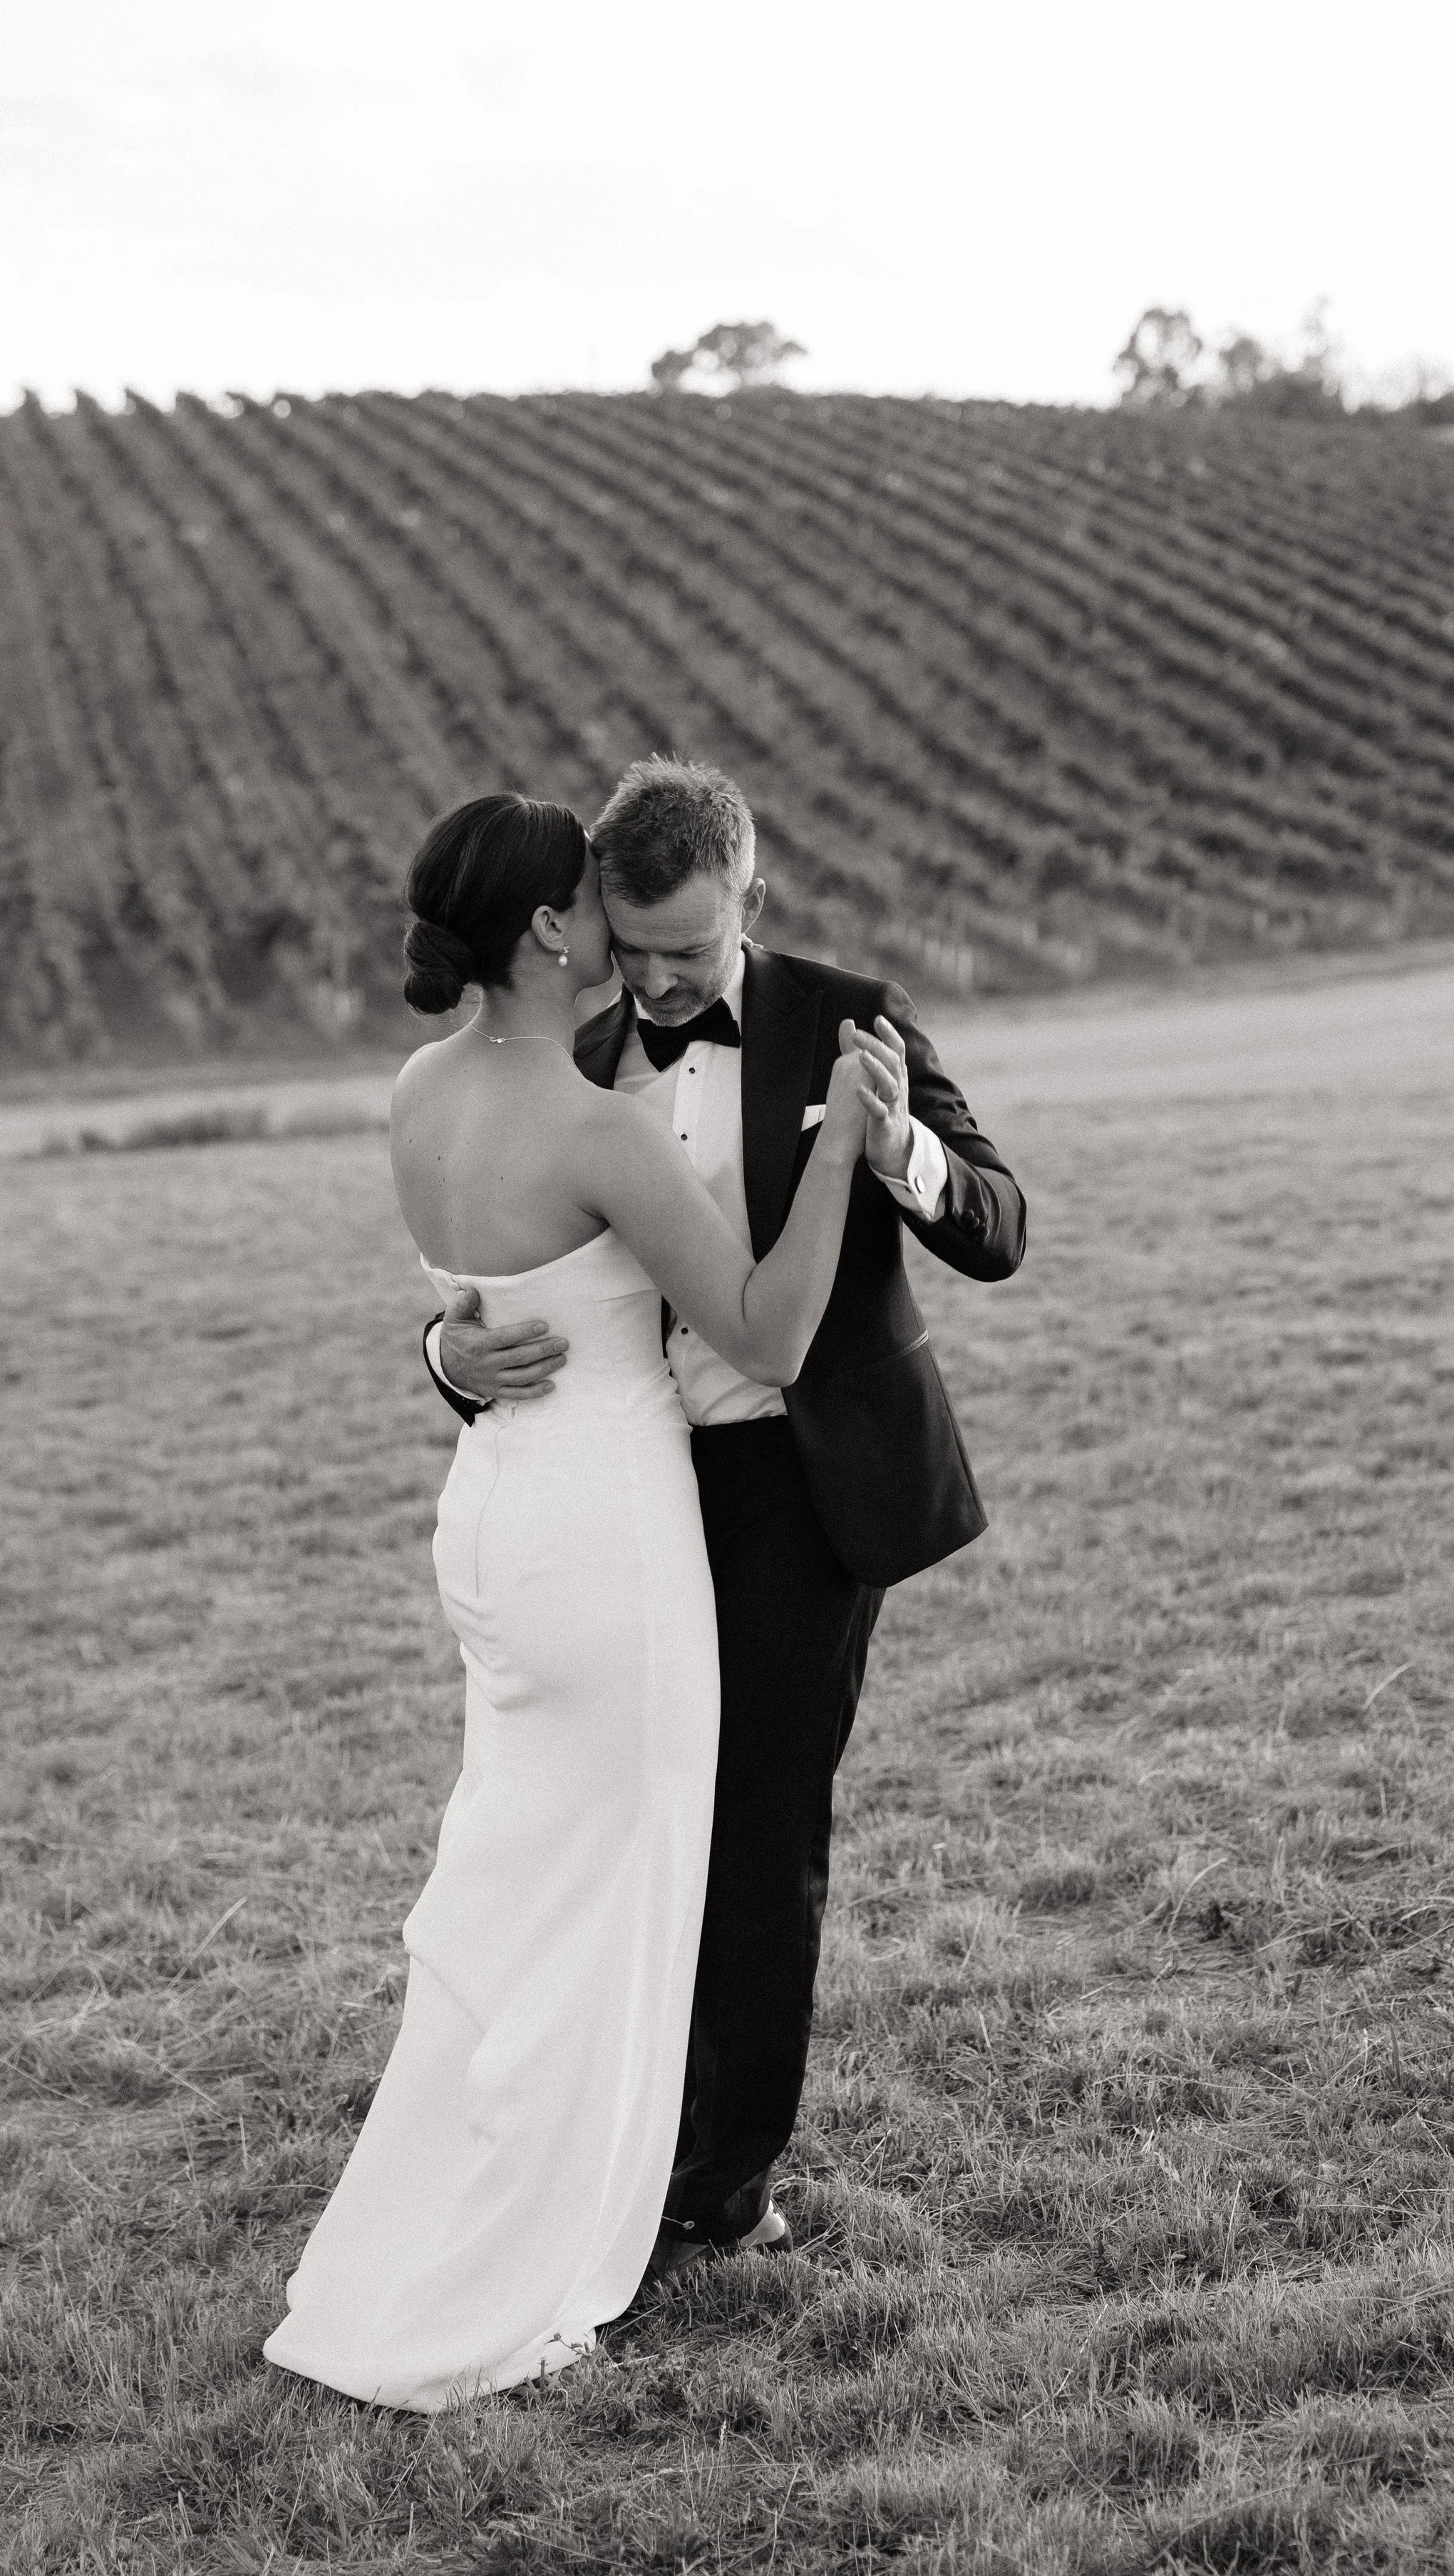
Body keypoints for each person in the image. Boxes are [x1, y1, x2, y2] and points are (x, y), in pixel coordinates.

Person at [264, 792, 882, 2411]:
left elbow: (484, 1297)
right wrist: (835, 1146)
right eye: (595, 902)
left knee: (515, 1878)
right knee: (614, 1895)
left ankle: (469, 2194)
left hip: (494, 1528)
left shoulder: (417, 1089)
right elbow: (765, 1332)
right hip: (610, 1539)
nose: (620, 920)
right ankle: (549, 2235)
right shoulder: (593, 1121)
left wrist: (447, 1352)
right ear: (552, 929)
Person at [426, 757, 1025, 2272]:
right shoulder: (573, 1041)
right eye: (635, 951)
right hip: (623, 1483)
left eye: (693, 947)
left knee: (758, 1837)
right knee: (629, 1831)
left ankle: (718, 2183)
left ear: (752, 898)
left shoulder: (849, 1014)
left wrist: (889, 1148)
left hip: (796, 1484)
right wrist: (445, 1352)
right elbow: (496, 1235)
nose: (664, 979)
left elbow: (1001, 1229)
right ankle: (604, 2138)